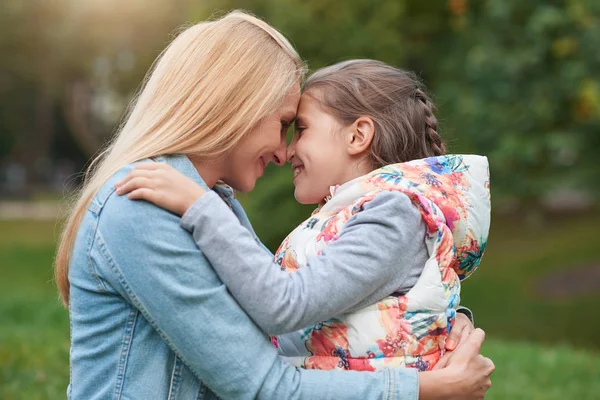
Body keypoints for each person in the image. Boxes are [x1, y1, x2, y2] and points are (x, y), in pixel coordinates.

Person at [55, 11, 494, 399]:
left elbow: (288, 319)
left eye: (297, 128)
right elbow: (264, 381)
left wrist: (440, 330)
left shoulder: (212, 207)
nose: (284, 153)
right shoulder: (143, 209)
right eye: (286, 124)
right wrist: (427, 388)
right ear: (235, 106)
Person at [116, 59, 491, 373]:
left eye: (302, 130)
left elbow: (285, 305)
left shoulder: (393, 216)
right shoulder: (359, 213)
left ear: (358, 135)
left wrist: (201, 207)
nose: (288, 150)